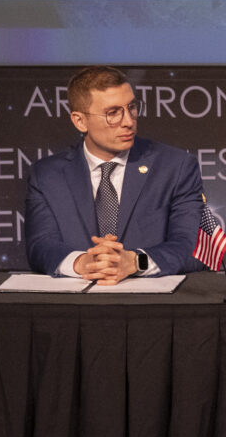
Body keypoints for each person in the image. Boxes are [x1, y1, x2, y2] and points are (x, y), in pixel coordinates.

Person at [23, 66, 203, 282]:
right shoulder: (48, 176)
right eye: (113, 113)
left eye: (131, 107)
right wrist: (82, 262)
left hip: (149, 300)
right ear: (80, 121)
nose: (128, 121)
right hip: (77, 299)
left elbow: (192, 246)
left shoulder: (175, 167)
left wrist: (135, 262)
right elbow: (40, 245)